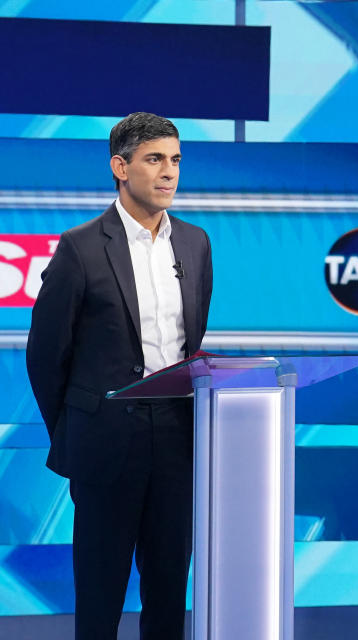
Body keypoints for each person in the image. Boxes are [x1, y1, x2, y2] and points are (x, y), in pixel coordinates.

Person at [26, 112, 213, 639]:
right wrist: (75, 431)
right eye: (155, 159)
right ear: (120, 166)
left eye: (176, 160)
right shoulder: (80, 248)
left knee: (169, 587)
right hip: (105, 443)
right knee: (101, 593)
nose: (169, 172)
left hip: (177, 440)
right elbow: (45, 357)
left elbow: (189, 343)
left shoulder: (196, 244)